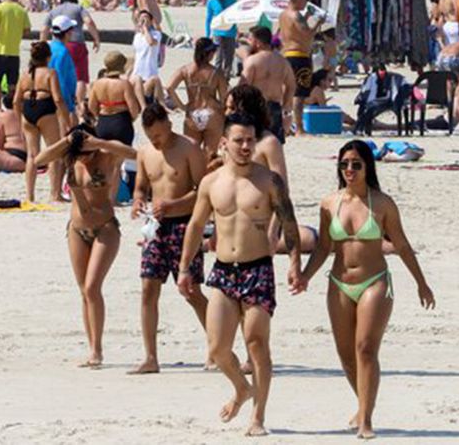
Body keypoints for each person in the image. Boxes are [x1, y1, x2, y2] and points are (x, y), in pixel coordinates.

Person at [177, 113, 303, 437]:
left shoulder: (269, 181)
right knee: (217, 349)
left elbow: (289, 221)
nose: (246, 146)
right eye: (239, 140)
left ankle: (258, 417)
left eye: (250, 140)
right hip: (223, 271)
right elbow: (195, 226)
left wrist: (294, 263)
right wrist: (184, 268)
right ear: (224, 143)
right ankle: (242, 389)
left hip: (257, 269)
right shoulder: (211, 183)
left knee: (257, 344)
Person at [300, 140, 434, 439]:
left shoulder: (382, 203)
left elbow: (402, 245)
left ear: (367, 167)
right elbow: (323, 247)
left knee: (365, 349)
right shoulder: (329, 203)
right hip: (339, 283)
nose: (349, 169)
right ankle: (363, 405)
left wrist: (421, 283)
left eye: (356, 164)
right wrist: (306, 276)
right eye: (344, 164)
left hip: (374, 282)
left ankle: (366, 420)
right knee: (346, 354)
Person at [37, 124, 136, 368]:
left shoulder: (106, 156)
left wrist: (99, 143)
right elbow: (39, 160)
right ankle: (92, 348)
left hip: (105, 228)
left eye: (87, 152)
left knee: (92, 287)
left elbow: (134, 154)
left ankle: (98, 350)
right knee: (84, 291)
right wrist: (67, 142)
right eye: (80, 153)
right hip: (76, 229)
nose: (84, 157)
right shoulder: (70, 158)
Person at [129, 103, 210, 374]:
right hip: (155, 227)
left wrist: (173, 204)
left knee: (191, 291)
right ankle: (150, 357)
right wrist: (138, 201)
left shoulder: (189, 148)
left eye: (159, 136)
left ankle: (217, 348)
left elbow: (203, 191)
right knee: (148, 289)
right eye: (151, 137)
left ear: (169, 125)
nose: (156, 141)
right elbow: (141, 186)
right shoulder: (145, 152)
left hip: (185, 225)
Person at [15, 42, 70, 203]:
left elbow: (16, 101)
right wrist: (66, 119)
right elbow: (58, 98)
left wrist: (19, 121)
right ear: (48, 57)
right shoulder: (50, 73)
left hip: (28, 111)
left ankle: (30, 195)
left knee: (32, 156)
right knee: (53, 153)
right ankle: (55, 194)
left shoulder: (25, 74)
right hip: (45, 111)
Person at [166, 37, 229, 160]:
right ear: (209, 54)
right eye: (213, 52)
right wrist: (221, 107)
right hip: (211, 113)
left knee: (191, 153)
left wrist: (182, 106)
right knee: (210, 154)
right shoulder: (216, 73)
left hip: (193, 112)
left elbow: (169, 87)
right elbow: (224, 97)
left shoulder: (185, 70)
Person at [240, 26, 295, 143]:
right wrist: (286, 105)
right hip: (274, 107)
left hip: (255, 107)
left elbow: (243, 87)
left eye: (250, 39)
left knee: (254, 144)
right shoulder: (282, 61)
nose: (248, 43)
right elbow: (291, 85)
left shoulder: (252, 60)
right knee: (275, 144)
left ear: (257, 42)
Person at [46, 0, 100, 109]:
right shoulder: (78, 8)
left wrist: (42, 45)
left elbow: (44, 29)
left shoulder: (54, 11)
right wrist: (96, 38)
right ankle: (79, 104)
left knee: (58, 73)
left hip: (56, 44)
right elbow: (88, 22)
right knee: (80, 76)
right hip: (76, 43)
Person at [278, 0, 319, 133]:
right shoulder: (296, 15)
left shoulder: (283, 15)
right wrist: (317, 24)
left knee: (287, 92)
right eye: (304, 0)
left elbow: (293, 31)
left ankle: (285, 126)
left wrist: (307, 16)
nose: (305, 3)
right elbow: (307, 34)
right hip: (299, 55)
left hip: (287, 54)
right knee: (299, 94)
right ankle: (299, 128)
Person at [0, 0, 31, 111]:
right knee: (12, 82)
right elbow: (27, 30)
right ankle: (13, 106)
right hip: (14, 51)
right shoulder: (21, 10)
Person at [89, 51, 142, 146]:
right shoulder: (124, 84)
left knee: (103, 153)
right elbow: (134, 109)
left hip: (103, 122)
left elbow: (91, 106)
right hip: (121, 122)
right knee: (124, 153)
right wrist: (130, 120)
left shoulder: (97, 84)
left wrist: (99, 115)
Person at [47, 16, 80, 117]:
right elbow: (60, 80)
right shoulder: (63, 52)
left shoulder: (49, 47)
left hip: (48, 97)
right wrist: (69, 107)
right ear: (68, 32)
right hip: (60, 102)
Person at [130, 10, 165, 107]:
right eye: (141, 18)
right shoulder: (137, 36)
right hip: (137, 74)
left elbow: (151, 42)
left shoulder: (156, 34)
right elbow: (137, 56)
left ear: (151, 21)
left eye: (146, 18)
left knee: (153, 85)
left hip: (149, 75)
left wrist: (145, 28)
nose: (143, 20)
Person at [205, 0, 238, 77]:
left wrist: (238, 30)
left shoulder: (232, 0)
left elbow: (237, 15)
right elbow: (208, 19)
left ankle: (226, 77)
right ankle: (217, 78)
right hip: (217, 32)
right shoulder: (211, 2)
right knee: (218, 57)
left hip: (230, 32)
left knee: (229, 57)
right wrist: (208, 34)